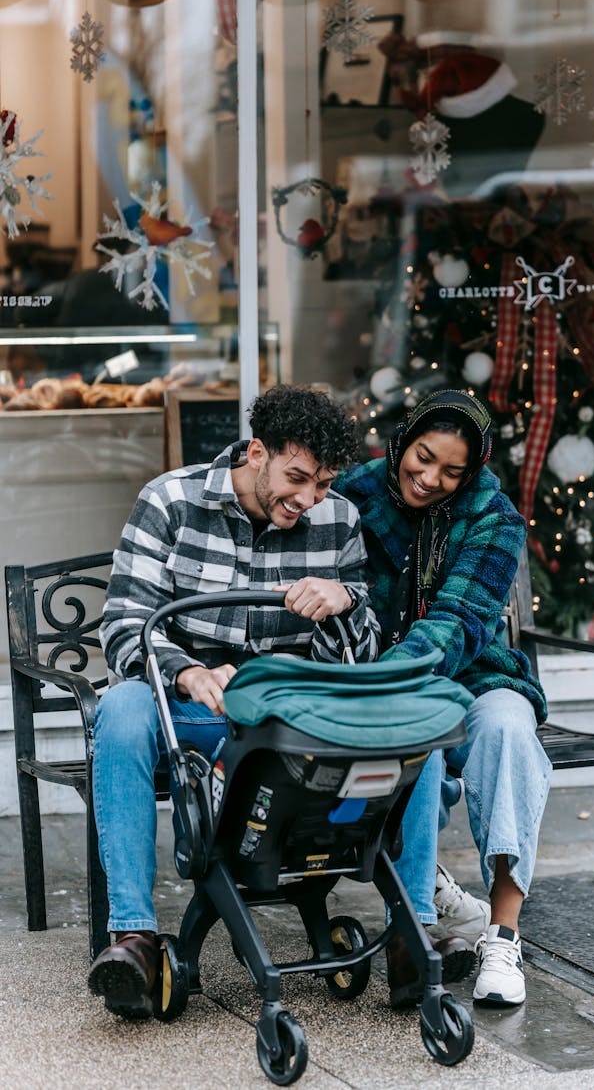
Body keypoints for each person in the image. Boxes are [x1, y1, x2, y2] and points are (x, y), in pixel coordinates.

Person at [88, 384, 385, 1019]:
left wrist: (346, 599)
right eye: (297, 478)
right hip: (193, 718)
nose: (308, 502)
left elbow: (365, 637)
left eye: (324, 485)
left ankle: (415, 935)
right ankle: (134, 940)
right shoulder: (170, 500)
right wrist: (188, 672)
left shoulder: (339, 521)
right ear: (257, 451)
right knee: (120, 710)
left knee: (408, 736)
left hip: (289, 726)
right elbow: (121, 625)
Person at [334, 389, 551, 1009]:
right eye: (422, 457)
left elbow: (458, 623)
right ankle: (429, 899)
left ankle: (503, 935)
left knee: (510, 729)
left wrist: (383, 684)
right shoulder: (354, 491)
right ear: (404, 440)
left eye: (451, 471)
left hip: (470, 675)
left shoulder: (493, 519)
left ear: (472, 471)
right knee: (409, 739)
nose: (428, 479)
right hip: (374, 676)